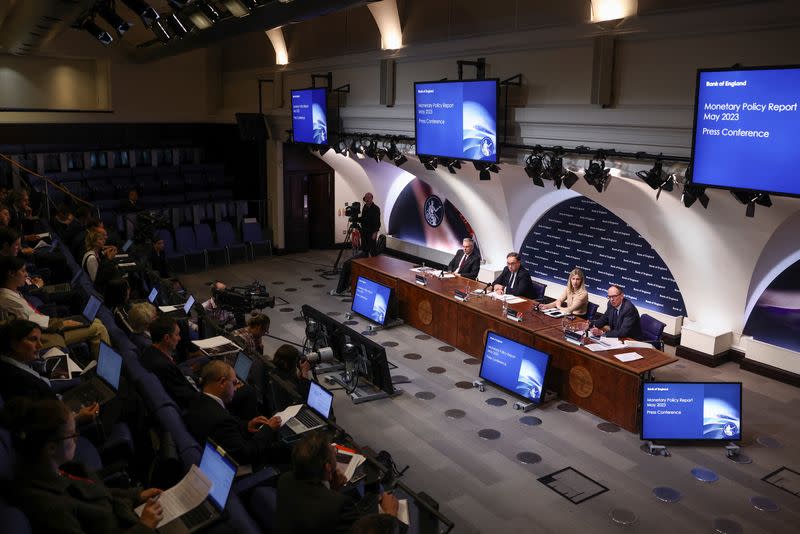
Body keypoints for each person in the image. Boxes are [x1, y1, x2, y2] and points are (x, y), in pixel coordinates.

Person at [1, 397, 163, 533]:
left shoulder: (52, 469)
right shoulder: (49, 508)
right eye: (72, 434)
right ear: (51, 447)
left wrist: (135, 496)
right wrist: (144, 526)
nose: (77, 438)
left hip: (127, 513)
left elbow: (95, 491)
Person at [276, 431, 399, 533]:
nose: (335, 452)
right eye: (333, 451)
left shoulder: (284, 480)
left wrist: (330, 490)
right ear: (328, 467)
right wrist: (389, 515)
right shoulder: (339, 505)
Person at [0, 256, 110, 358]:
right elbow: (31, 324)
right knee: (99, 329)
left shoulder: (12, 292)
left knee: (96, 321)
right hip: (45, 335)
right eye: (23, 271)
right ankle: (105, 371)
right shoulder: (6, 299)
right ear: (11, 273)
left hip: (48, 325)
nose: (26, 274)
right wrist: (61, 323)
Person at [183, 360, 282, 466]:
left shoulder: (196, 399)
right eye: (234, 383)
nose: (236, 389)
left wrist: (247, 426)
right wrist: (269, 429)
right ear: (222, 382)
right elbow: (247, 454)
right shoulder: (220, 420)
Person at [0, 319, 98, 425]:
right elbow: (40, 424)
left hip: (60, 403)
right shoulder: (16, 380)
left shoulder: (12, 362)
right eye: (33, 339)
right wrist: (77, 419)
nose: (40, 345)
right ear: (14, 344)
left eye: (40, 340)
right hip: (64, 420)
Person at [138, 316, 200, 409]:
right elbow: (185, 396)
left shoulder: (149, 350)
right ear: (167, 338)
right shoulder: (163, 366)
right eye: (177, 334)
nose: (179, 338)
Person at [359, 193, 381, 257]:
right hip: (364, 231)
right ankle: (365, 262)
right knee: (365, 249)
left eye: (369, 197)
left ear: (372, 198)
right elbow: (363, 218)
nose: (367, 199)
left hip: (371, 232)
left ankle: (374, 264)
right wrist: (357, 219)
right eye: (366, 197)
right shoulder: (365, 207)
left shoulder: (376, 208)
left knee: (372, 250)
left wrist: (375, 233)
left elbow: (377, 222)